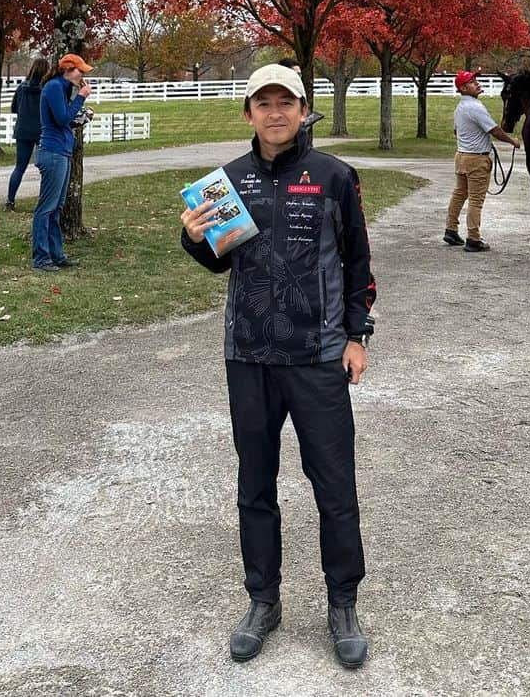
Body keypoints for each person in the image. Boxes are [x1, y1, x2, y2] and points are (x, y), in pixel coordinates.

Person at [180, 63, 376, 669]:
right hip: (250, 358)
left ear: (301, 108)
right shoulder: (227, 184)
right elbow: (219, 263)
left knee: (334, 487)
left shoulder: (334, 177)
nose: (274, 113)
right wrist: (193, 237)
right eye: (262, 103)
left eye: (284, 102)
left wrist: (356, 336)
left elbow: (358, 264)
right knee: (254, 486)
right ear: (248, 113)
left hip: (318, 358)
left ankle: (343, 602)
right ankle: (263, 601)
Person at [30, 53, 94, 270]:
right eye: (79, 71)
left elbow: (66, 119)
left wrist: (83, 115)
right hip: (53, 153)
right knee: (46, 208)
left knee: (56, 207)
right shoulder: (55, 87)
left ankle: (56, 254)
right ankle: (41, 257)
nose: (82, 75)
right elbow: (62, 118)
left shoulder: (62, 87)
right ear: (67, 69)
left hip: (61, 151)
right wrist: (81, 97)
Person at [444, 70, 520, 252]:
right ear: (463, 88)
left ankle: (451, 229)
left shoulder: (460, 107)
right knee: (476, 200)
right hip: (476, 159)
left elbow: (457, 132)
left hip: (461, 156)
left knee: (459, 194)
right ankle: (473, 238)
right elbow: (494, 130)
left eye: (475, 80)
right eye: (471, 82)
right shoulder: (476, 107)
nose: (477, 83)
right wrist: (512, 141)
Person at [5, 57, 49, 210]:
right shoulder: (46, 89)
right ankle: (44, 201)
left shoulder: (22, 87)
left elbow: (14, 108)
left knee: (19, 168)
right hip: (41, 131)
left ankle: (10, 201)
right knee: (45, 168)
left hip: (23, 131)